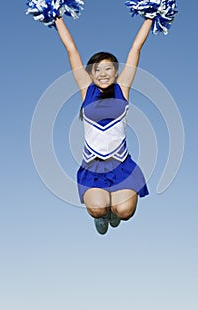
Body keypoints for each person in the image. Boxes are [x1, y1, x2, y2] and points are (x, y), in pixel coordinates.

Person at [55, 17, 153, 234]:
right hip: (93, 167)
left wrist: (150, 16)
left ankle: (115, 212)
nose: (103, 73)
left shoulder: (123, 88)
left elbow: (136, 49)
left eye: (108, 69)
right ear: (91, 74)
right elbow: (71, 50)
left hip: (122, 166)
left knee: (125, 211)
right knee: (97, 209)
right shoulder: (85, 90)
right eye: (97, 69)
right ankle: (104, 214)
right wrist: (57, 17)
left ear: (115, 72)